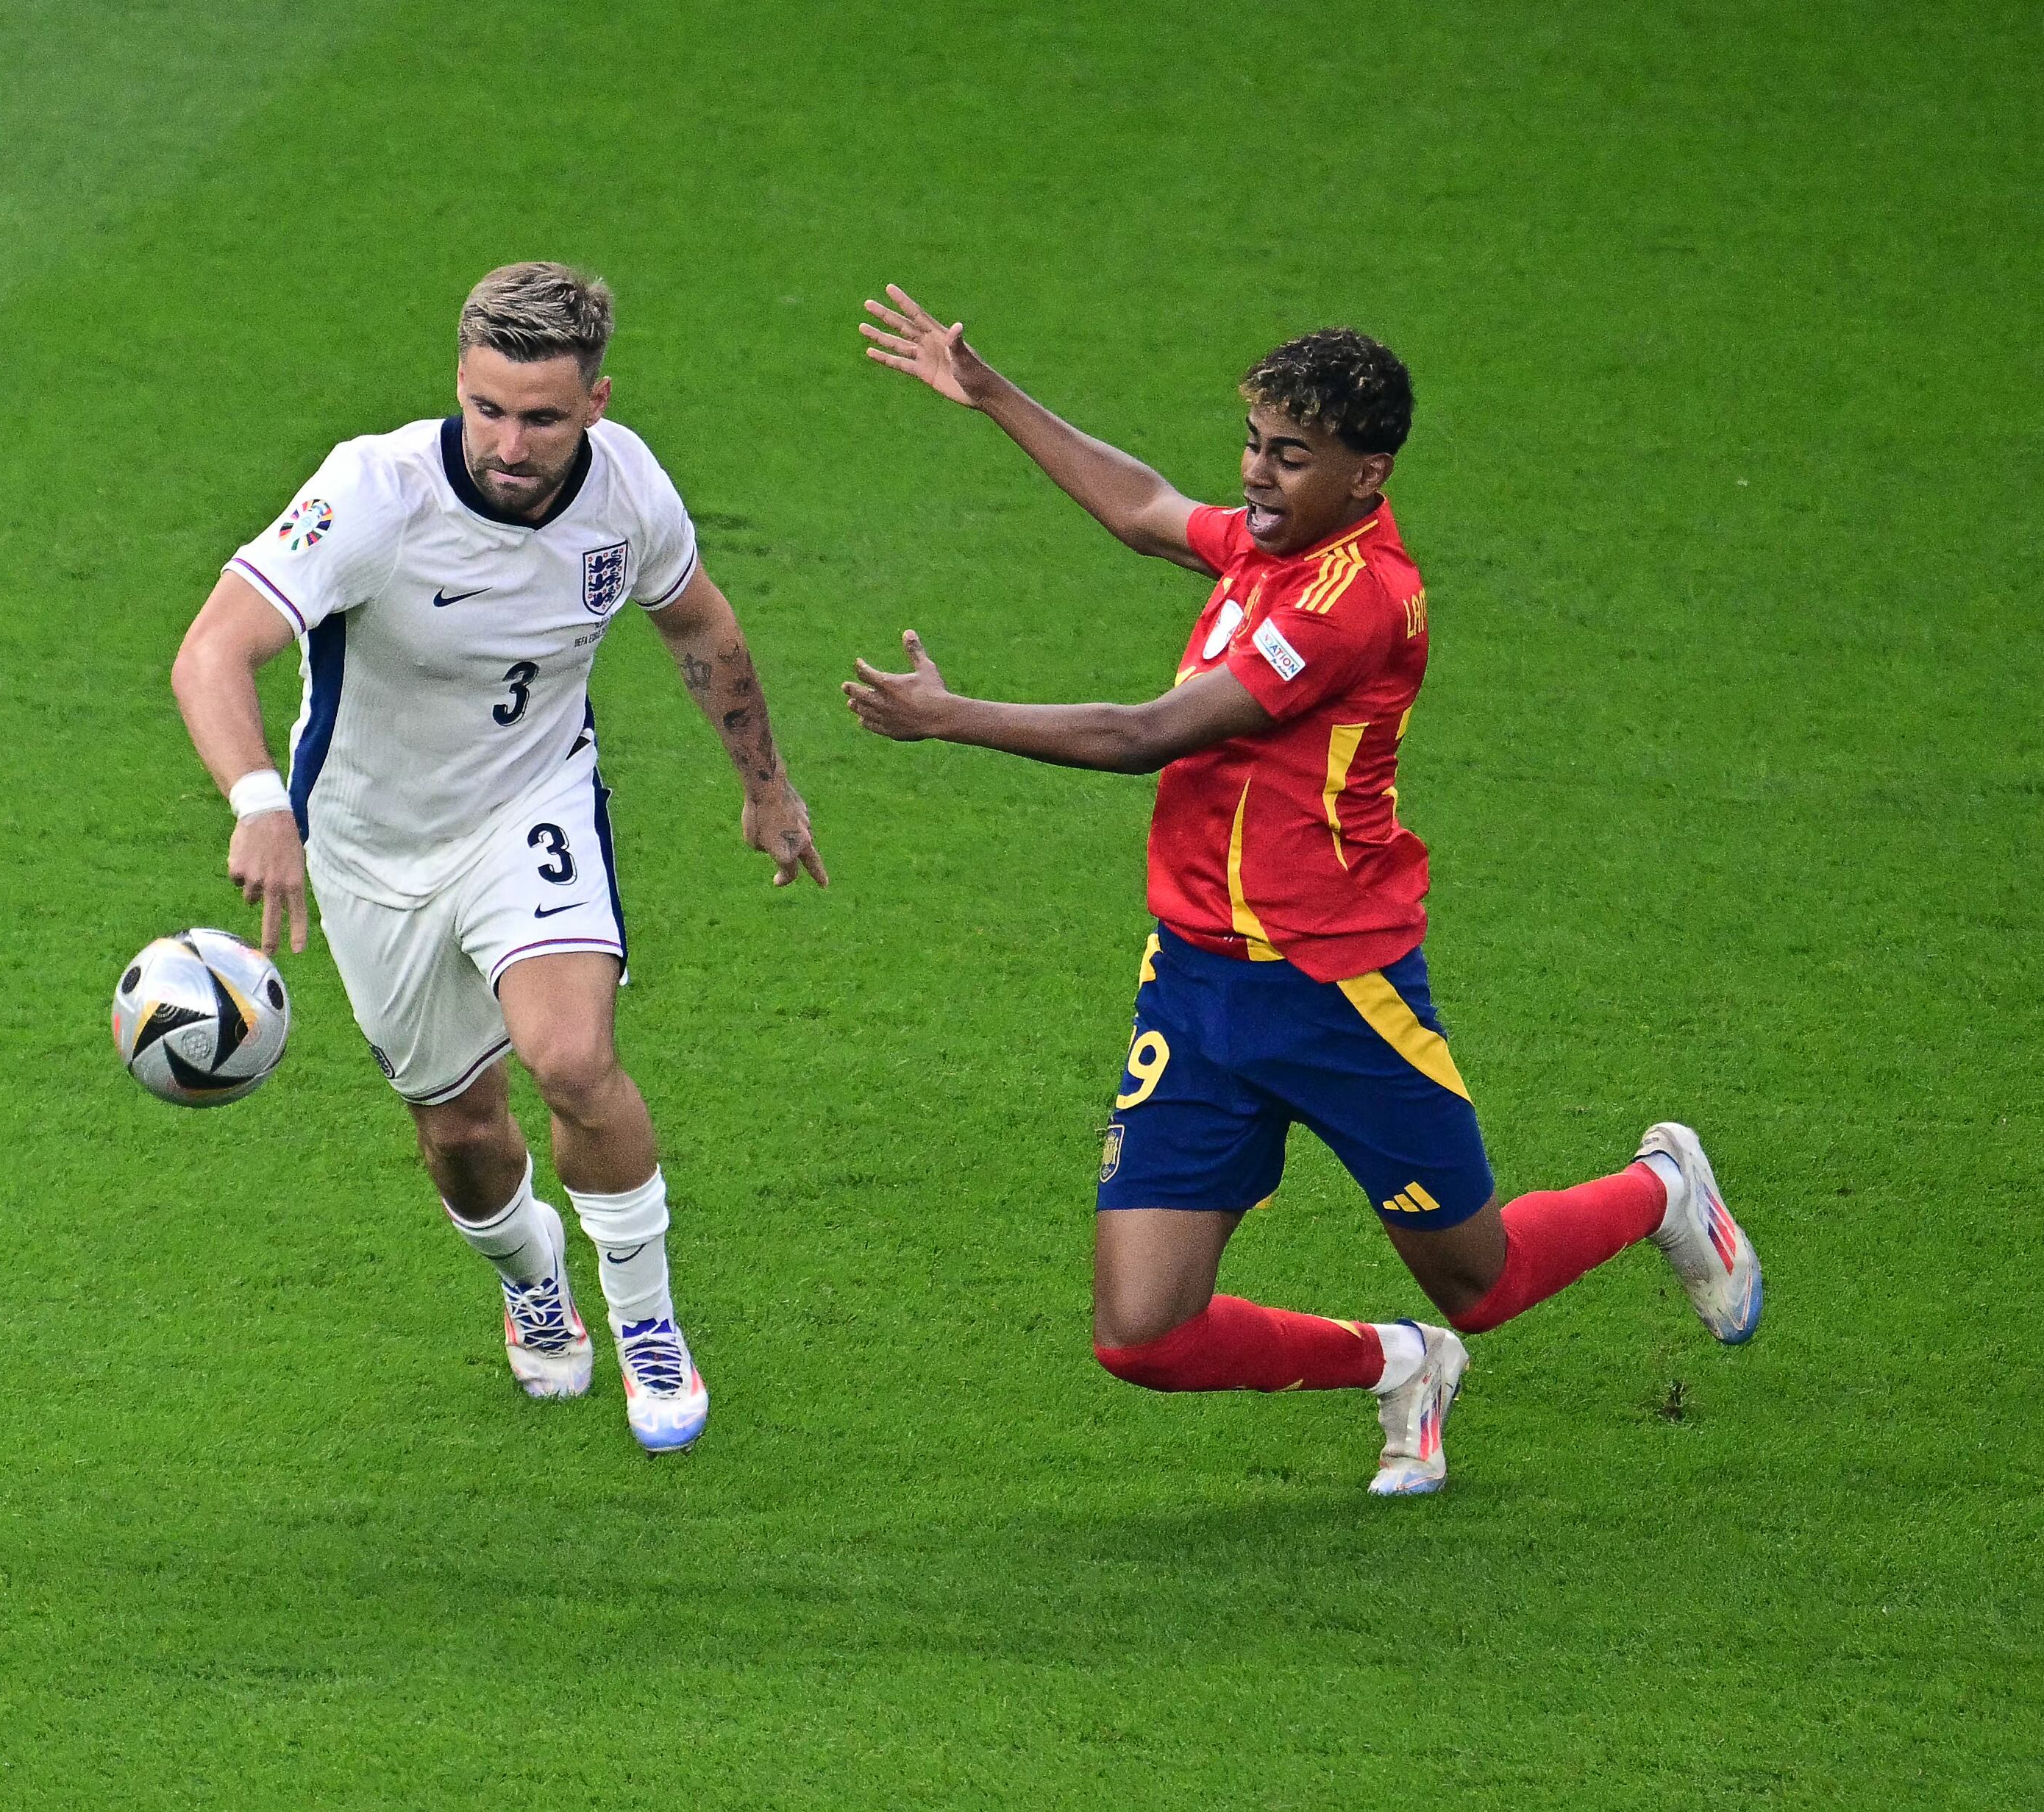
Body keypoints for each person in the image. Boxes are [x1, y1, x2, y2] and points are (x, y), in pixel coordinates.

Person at [844, 285, 1758, 1494]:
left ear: (1369, 475)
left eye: (1293, 458)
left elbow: (1149, 731)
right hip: (1198, 990)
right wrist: (992, 391)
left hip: (1337, 988)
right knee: (1144, 1335)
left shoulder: (1352, 603)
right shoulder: (1270, 550)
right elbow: (1146, 509)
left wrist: (955, 719)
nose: (1259, 480)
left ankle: (1658, 1191)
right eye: (1256, 448)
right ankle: (1396, 1366)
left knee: (1478, 1282)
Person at [172, 262, 826, 1453]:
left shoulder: (627, 492)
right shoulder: (373, 491)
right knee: (461, 1135)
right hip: (370, 851)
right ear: (458, 389)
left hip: (531, 806)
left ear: (597, 403)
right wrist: (260, 801)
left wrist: (766, 789)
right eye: (488, 409)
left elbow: (699, 626)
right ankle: (534, 1284)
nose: (511, 444)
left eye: (543, 417)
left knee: (572, 1059)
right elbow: (213, 650)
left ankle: (648, 1324)